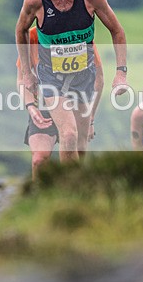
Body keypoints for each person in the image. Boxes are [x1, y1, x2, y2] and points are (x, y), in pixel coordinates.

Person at [16, 0, 128, 162]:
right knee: (68, 134)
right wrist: (27, 73)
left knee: (81, 144)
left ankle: (78, 189)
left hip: (83, 77)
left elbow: (117, 31)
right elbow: (20, 30)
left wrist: (121, 72)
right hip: (51, 78)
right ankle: (68, 191)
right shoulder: (34, 0)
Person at [18, 26, 104, 177]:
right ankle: (39, 195)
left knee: (78, 154)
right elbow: (22, 79)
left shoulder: (78, 34)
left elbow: (99, 79)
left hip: (76, 101)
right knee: (39, 160)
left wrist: (91, 118)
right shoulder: (32, 35)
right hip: (45, 103)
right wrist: (31, 107)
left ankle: (72, 192)